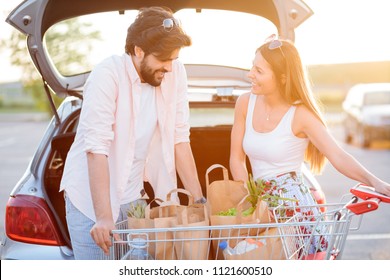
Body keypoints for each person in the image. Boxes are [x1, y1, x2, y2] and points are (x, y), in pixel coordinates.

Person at [60, 6, 205, 260]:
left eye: (173, 59)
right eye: (163, 59)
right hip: (90, 205)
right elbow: (97, 149)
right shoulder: (107, 75)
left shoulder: (176, 73)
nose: (169, 67)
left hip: (135, 201)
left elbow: (180, 139)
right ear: (138, 51)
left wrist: (200, 202)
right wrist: (104, 217)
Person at [229, 35, 390, 253]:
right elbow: (236, 159)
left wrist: (375, 182)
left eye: (259, 71)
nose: (250, 75)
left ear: (283, 77)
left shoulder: (301, 115)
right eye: (252, 67)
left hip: (296, 211)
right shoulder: (245, 103)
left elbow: (338, 155)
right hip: (262, 208)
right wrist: (251, 201)